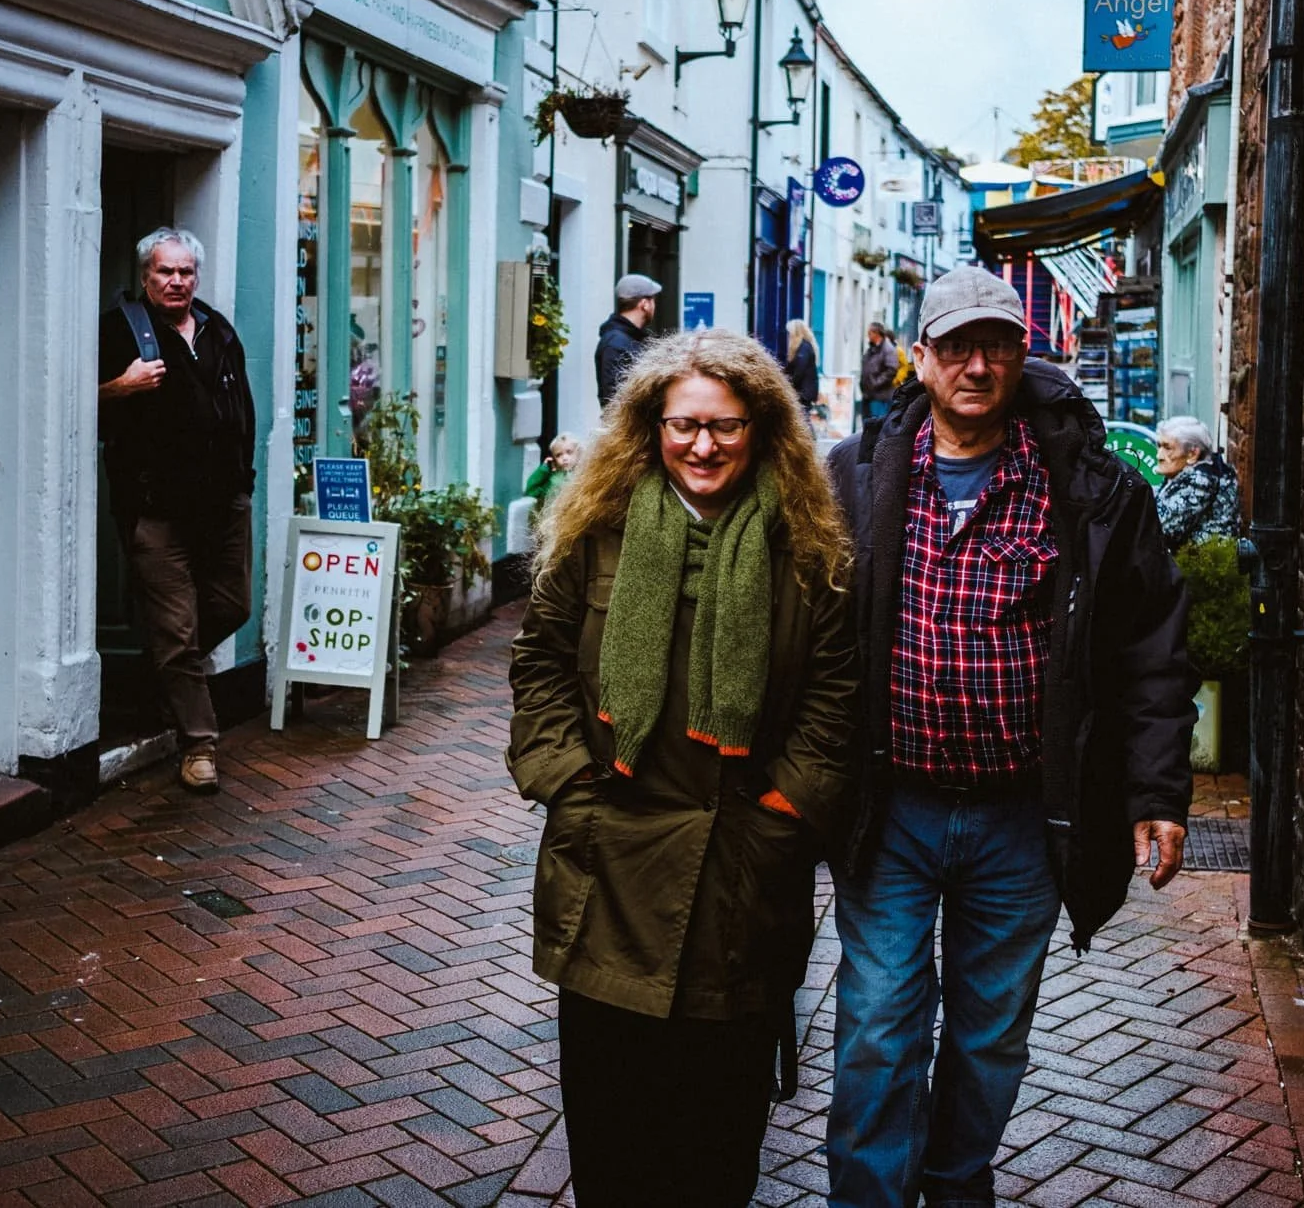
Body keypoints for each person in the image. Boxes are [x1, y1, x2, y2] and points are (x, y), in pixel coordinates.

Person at [823, 266, 1195, 1208]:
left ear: (1022, 353)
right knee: (876, 1026)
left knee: (989, 1036)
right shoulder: (855, 478)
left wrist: (1155, 795)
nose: (975, 364)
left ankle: (955, 1193)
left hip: (1024, 820)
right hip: (892, 810)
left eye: (993, 343)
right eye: (954, 346)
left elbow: (1151, 648)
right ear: (921, 358)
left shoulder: (1090, 490)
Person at [508, 328, 860, 1208]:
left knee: (716, 1138)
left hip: (740, 871)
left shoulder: (806, 550)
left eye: (727, 427)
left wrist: (785, 811)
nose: (703, 446)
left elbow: (834, 695)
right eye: (684, 425)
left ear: (764, 430)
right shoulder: (598, 530)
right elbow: (540, 662)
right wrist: (568, 782)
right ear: (650, 427)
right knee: (613, 1128)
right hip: (607, 862)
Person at [99, 227, 256, 793]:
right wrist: (122, 385)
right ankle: (199, 746)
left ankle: (157, 674)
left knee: (233, 606)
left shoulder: (217, 329)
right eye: (165, 271)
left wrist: (246, 484)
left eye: (186, 271)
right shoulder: (122, 329)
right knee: (176, 628)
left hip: (223, 507)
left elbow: (244, 408)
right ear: (145, 276)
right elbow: (73, 402)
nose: (177, 280)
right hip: (157, 511)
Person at [1153, 415, 1242, 551]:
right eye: (1159, 446)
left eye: (1167, 448)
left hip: (1199, 566)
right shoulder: (1184, 475)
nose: (1159, 456)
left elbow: (1158, 529)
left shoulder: (1200, 481)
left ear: (1192, 454)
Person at [595, 273, 661, 407]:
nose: (654, 306)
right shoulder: (615, 343)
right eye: (653, 300)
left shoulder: (632, 338)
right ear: (644, 304)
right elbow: (614, 399)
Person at [524, 432, 583, 513]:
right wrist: (543, 470)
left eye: (569, 452)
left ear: (578, 453)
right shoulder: (553, 479)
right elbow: (531, 491)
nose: (564, 458)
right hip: (551, 519)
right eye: (559, 455)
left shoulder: (583, 476)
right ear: (554, 459)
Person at [860, 323, 899, 425]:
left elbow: (892, 369)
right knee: (869, 425)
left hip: (880, 396)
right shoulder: (872, 348)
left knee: (878, 425)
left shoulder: (888, 349)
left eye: (870, 333)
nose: (868, 335)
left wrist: (875, 383)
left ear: (877, 333)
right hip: (869, 395)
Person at [784, 317, 822, 425]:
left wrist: (789, 385)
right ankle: (809, 439)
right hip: (805, 391)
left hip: (803, 392)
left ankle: (810, 440)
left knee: (803, 419)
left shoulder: (803, 348)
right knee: (802, 418)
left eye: (790, 332)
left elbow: (799, 371)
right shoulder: (804, 347)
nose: (788, 335)